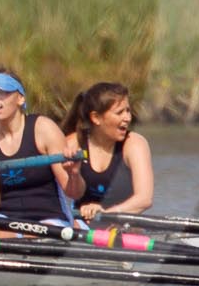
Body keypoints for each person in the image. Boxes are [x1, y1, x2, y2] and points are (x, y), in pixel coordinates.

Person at [0, 69, 84, 226]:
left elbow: (74, 193)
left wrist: (74, 174)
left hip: (48, 219)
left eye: (3, 92)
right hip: (4, 221)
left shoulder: (44, 129)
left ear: (20, 98)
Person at [63, 81, 154, 222]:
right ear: (96, 118)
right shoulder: (72, 144)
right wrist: (73, 173)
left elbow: (144, 199)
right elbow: (61, 194)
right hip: (80, 225)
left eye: (128, 111)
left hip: (123, 225)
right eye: (120, 113)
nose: (127, 118)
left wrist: (105, 213)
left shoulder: (134, 144)